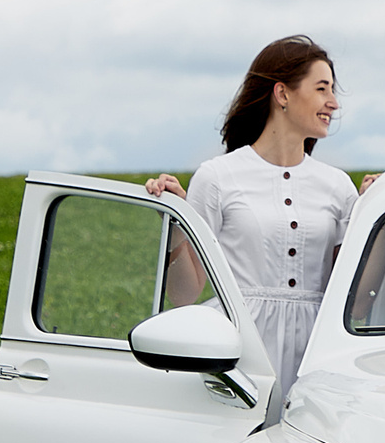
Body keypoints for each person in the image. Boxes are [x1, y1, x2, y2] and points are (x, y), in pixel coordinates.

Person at [145, 35, 372, 390]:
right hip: (238, 355)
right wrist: (178, 220)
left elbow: (355, 300)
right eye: (322, 89)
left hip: (316, 358)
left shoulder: (338, 186)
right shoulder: (217, 177)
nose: (334, 103)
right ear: (282, 94)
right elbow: (184, 295)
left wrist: (375, 219)